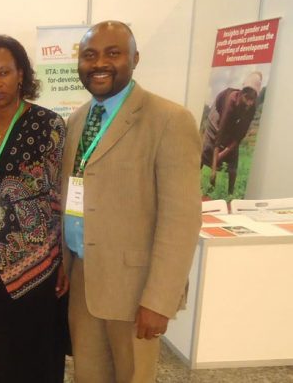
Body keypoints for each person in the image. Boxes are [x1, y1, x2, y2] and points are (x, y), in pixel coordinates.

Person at [62, 21, 201, 382]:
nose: (99, 64)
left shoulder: (169, 120)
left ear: (135, 58)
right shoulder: (77, 121)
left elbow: (181, 219)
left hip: (135, 290)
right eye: (90, 55)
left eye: (113, 53)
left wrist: (159, 300)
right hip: (84, 281)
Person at [0, 35, 68, 382]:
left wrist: (64, 258)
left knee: (34, 355)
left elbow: (61, 195)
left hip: (35, 263)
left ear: (21, 73)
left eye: (4, 72)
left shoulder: (49, 126)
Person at [201, 71, 262, 194]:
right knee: (208, 145)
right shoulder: (230, 100)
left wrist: (221, 156)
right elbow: (219, 136)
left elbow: (239, 137)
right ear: (241, 94)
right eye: (247, 98)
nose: (249, 103)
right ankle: (195, 178)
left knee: (233, 159)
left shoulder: (252, 107)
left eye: (252, 99)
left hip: (235, 120)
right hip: (219, 111)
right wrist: (213, 170)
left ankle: (230, 196)